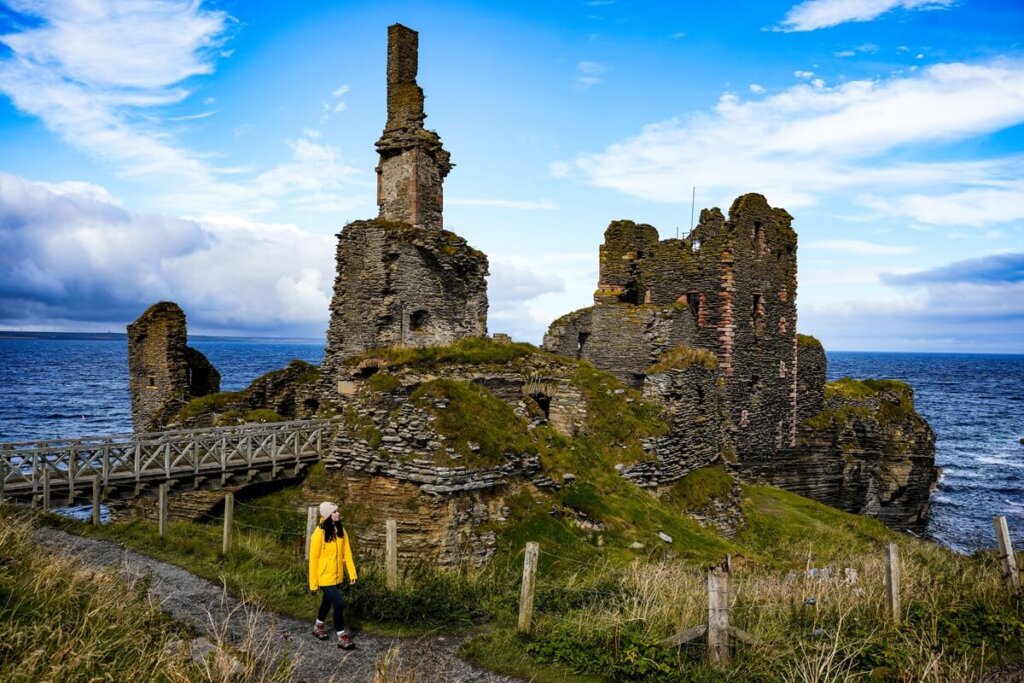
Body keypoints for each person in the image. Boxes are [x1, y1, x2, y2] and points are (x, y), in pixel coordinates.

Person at [308, 501, 357, 650]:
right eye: (334, 512)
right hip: (324, 577)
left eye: (338, 511)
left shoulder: (341, 530)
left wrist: (352, 573)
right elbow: (314, 560)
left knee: (327, 601)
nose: (338, 514)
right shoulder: (319, 533)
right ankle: (342, 637)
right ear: (328, 515)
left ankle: (318, 626)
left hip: (337, 576)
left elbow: (347, 553)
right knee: (339, 604)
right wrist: (313, 583)